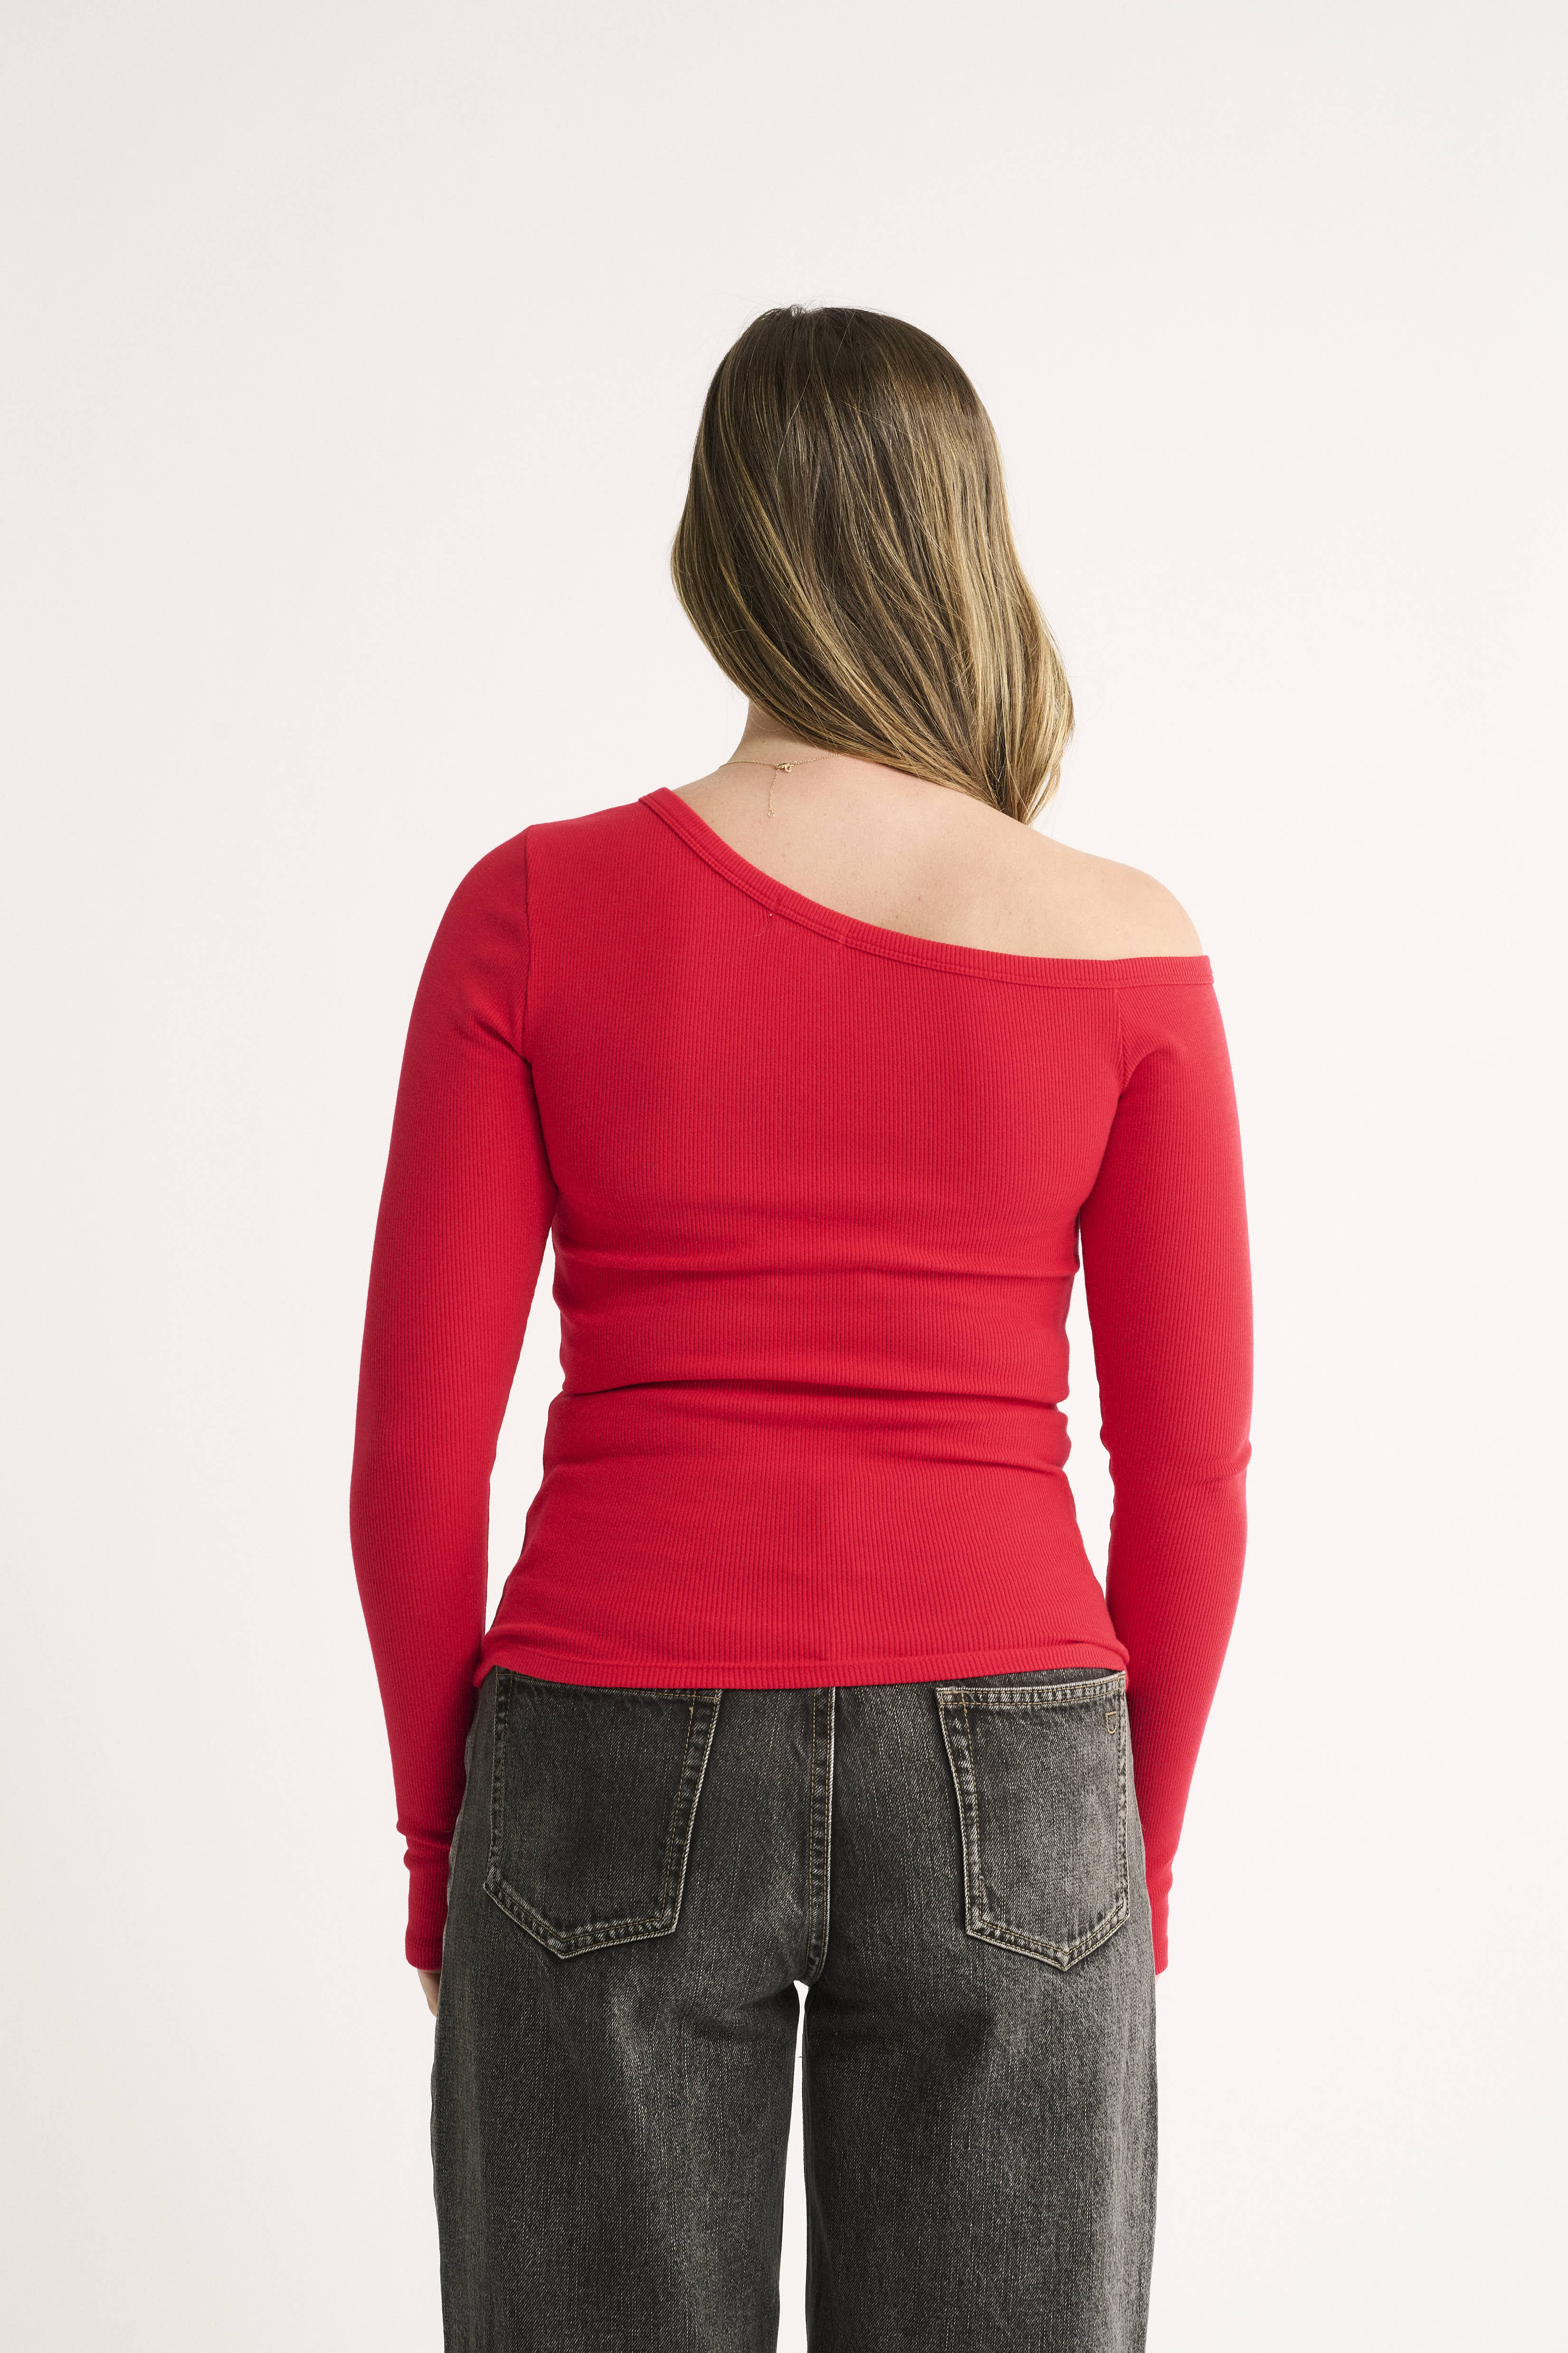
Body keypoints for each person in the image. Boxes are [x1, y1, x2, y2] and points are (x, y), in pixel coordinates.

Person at [349, 303, 1253, 2353]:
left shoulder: (533, 911)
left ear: (718, 552)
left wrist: (436, 1842)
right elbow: (1191, 1478)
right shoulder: (1124, 944)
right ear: (968, 545)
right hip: (1018, 1750)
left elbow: (414, 1460)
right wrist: (1129, 1857)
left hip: (606, 1733)